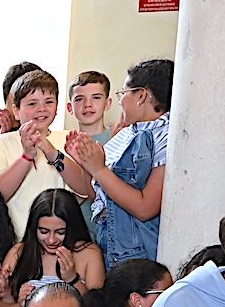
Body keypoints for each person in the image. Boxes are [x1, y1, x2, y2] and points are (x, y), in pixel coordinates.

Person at [67, 59, 173, 267]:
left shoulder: (165, 135)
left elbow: (145, 208)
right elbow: (97, 195)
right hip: (111, 243)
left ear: (141, 96)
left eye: (123, 93)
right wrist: (87, 165)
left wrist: (98, 168)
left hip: (138, 251)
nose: (121, 101)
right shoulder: (128, 132)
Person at [0, 68, 94, 236]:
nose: (42, 109)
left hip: (60, 239)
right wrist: (26, 156)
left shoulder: (68, 138)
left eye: (49, 102)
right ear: (16, 111)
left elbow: (85, 189)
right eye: (32, 103)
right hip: (14, 239)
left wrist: (52, 152)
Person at [3, 187, 107, 305]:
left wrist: (72, 279)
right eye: (44, 231)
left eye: (60, 232)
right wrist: (10, 295)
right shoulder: (19, 252)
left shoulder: (89, 253)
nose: (51, 240)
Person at [66, 70, 115, 145]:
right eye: (79, 99)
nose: (88, 104)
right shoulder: (64, 143)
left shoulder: (117, 139)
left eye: (96, 98)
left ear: (107, 104)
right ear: (70, 108)